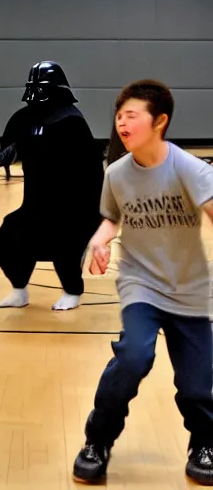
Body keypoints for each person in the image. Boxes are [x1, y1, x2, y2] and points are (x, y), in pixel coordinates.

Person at [72, 80, 213, 485]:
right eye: (119, 116)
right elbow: (112, 218)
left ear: (160, 121)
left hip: (189, 290)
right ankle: (97, 440)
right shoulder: (116, 173)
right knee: (133, 357)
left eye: (131, 115)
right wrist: (98, 244)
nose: (122, 123)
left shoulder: (188, 168)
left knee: (198, 386)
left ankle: (205, 443)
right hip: (141, 285)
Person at [0, 61, 104, 311]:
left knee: (65, 246)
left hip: (70, 203)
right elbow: (18, 146)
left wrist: (94, 208)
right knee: (11, 240)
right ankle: (19, 290)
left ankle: (72, 291)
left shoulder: (71, 121)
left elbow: (89, 166)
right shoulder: (24, 118)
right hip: (35, 201)